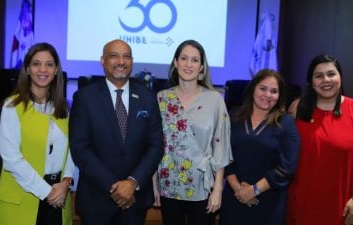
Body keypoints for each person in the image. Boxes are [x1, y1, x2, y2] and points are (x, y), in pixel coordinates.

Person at [69, 39, 164, 225]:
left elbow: (156, 145)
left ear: (132, 61)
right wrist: (116, 188)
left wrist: (132, 183)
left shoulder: (148, 97)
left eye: (126, 56)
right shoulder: (85, 98)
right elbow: (80, 148)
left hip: (134, 200)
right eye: (114, 56)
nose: (121, 61)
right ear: (103, 61)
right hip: (96, 199)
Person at [286, 54, 353, 225]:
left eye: (331, 74)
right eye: (319, 76)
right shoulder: (297, 108)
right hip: (300, 203)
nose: (326, 80)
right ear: (311, 82)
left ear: (340, 77)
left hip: (342, 205)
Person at [152, 39, 233, 225]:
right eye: (184, 58)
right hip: (169, 184)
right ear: (175, 63)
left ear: (202, 67)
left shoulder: (215, 100)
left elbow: (220, 147)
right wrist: (154, 185)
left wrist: (218, 190)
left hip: (202, 187)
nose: (189, 64)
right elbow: (154, 145)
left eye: (195, 60)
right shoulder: (161, 98)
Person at [0, 42, 75, 225]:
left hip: (59, 197)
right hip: (24, 198)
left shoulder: (63, 107)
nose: (43, 69)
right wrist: (48, 192)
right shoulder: (12, 107)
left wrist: (66, 183)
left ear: (56, 70)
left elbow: (72, 151)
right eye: (36, 63)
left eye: (49, 64)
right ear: (27, 69)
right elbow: (11, 159)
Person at [218, 69, 300, 225]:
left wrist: (254, 190)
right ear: (253, 89)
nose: (268, 95)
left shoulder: (286, 123)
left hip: (269, 202)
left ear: (279, 96)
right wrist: (238, 190)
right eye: (263, 88)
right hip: (234, 198)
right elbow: (223, 154)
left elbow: (287, 167)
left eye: (274, 91)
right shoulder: (234, 115)